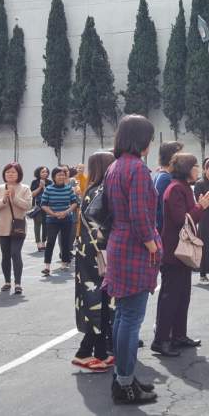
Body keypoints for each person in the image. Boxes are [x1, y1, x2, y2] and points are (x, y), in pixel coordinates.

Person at [103, 114, 161, 404]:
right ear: (140, 139)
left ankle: (122, 378)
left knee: (123, 316)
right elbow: (140, 215)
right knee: (131, 318)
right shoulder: (137, 168)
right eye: (149, 137)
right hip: (134, 247)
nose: (151, 142)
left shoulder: (114, 166)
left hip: (118, 242)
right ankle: (124, 384)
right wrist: (152, 245)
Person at [152, 153, 209, 357]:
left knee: (182, 296)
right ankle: (161, 340)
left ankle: (179, 335)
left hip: (182, 251)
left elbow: (190, 217)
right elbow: (182, 220)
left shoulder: (184, 187)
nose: (198, 170)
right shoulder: (175, 188)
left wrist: (200, 207)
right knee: (170, 297)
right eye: (196, 166)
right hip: (174, 252)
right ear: (187, 168)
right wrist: (201, 206)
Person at [73, 150, 117, 373]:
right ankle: (84, 353)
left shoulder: (92, 189)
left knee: (100, 302)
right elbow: (99, 224)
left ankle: (98, 352)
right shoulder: (102, 191)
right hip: (98, 255)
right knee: (98, 303)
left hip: (88, 253)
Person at [0, 162, 32, 294]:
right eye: (7, 172)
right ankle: (7, 281)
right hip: (3, 227)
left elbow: (28, 206)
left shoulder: (25, 188)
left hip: (18, 227)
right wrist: (3, 200)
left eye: (13, 172)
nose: (10, 174)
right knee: (5, 255)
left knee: (15, 253)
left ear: (19, 174)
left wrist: (14, 197)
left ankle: (18, 283)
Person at [40, 166, 79, 276]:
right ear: (53, 177)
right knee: (50, 242)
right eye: (59, 175)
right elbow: (43, 204)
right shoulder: (48, 189)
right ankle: (47, 266)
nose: (61, 177)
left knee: (65, 241)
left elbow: (74, 203)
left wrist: (66, 212)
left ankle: (64, 262)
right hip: (52, 220)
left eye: (63, 175)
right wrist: (53, 214)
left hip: (67, 219)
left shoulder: (68, 189)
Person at [153, 141, 184, 232]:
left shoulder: (161, 175)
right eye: (181, 156)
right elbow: (167, 211)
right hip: (166, 231)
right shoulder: (165, 178)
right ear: (171, 157)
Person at [30, 166, 52, 251]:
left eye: (46, 172)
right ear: (38, 173)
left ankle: (43, 242)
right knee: (37, 225)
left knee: (46, 225)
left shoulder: (50, 182)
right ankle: (38, 243)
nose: (45, 173)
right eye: (42, 172)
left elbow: (50, 194)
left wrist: (44, 187)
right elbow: (32, 194)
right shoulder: (34, 182)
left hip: (47, 206)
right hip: (38, 206)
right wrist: (39, 187)